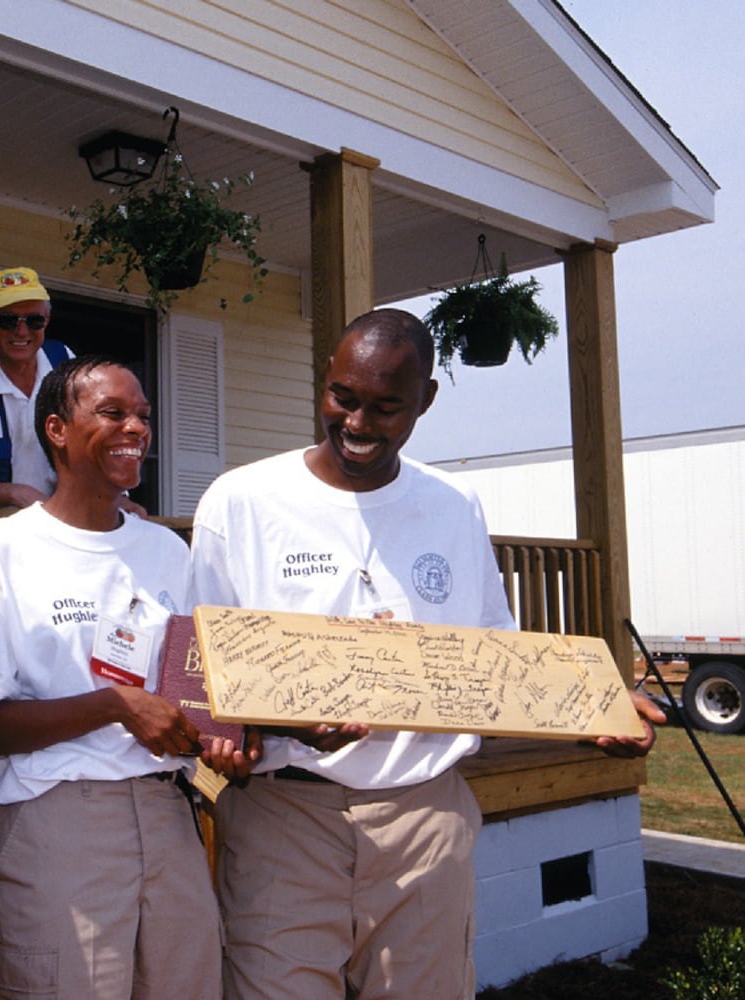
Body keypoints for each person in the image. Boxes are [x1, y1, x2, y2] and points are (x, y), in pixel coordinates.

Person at [191, 308, 663, 1000]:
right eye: (342, 399)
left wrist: (594, 702)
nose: (355, 425)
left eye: (385, 408)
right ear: (325, 376)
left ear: (426, 402)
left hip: (425, 814)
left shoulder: (452, 504)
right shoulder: (239, 501)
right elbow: (198, 668)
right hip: (282, 818)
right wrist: (243, 729)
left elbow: (490, 655)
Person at [0, 355, 221, 999]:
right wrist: (114, 705)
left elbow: (196, 689)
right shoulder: (2, 549)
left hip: (168, 815)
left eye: (143, 416)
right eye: (113, 412)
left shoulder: (166, 553)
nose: (136, 428)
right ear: (57, 430)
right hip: (59, 824)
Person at [0, 266, 72, 508]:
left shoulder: (64, 360)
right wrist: (15, 493)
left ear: (46, 321)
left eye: (34, 321)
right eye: (8, 320)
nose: (21, 331)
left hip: (64, 519)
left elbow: (94, 439)